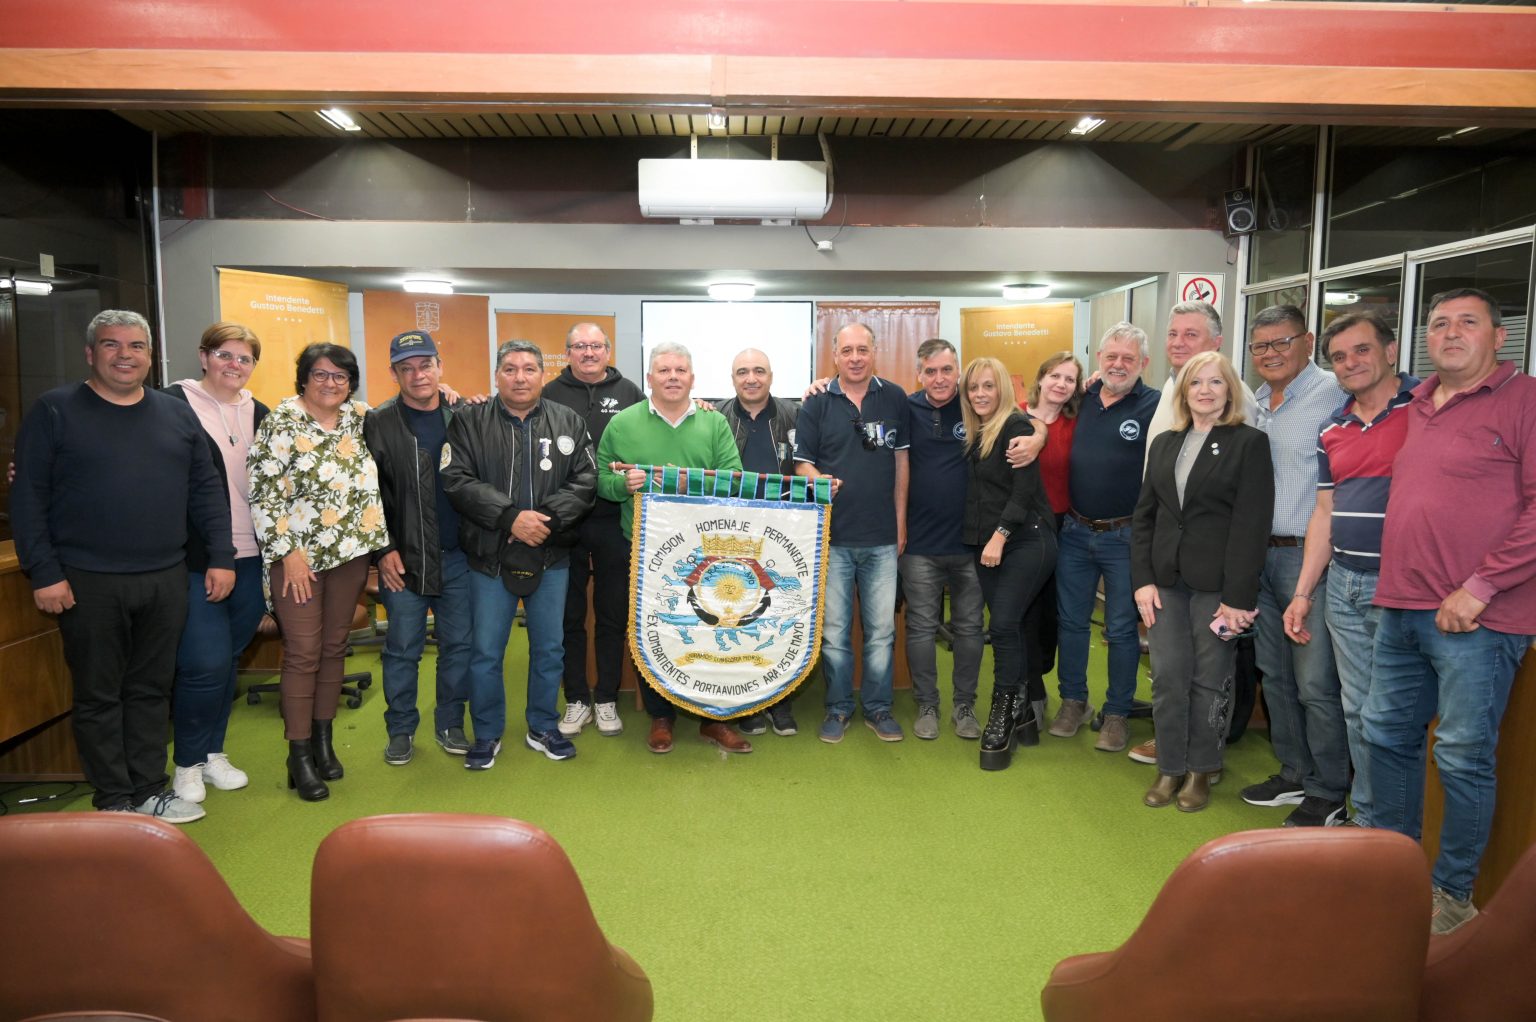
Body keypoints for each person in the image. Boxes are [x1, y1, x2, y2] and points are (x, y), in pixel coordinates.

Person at [11, 309, 233, 823]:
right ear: (91, 353)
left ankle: (151, 788)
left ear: (150, 356)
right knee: (99, 694)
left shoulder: (175, 414)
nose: (124, 355)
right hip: (85, 580)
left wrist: (221, 556)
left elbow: (206, 491)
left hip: (164, 576)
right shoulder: (54, 410)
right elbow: (29, 496)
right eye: (112, 345)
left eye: (136, 346)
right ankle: (114, 798)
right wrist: (44, 571)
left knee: (152, 690)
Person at [1361, 287, 1536, 935]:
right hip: (1400, 606)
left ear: (1499, 336)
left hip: (1478, 621)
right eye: (1439, 324)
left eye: (1468, 322)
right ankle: (1390, 875)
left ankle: (1452, 895)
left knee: (1462, 756)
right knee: (1385, 737)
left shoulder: (1525, 400)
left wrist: (1482, 586)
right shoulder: (1418, 404)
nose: (1452, 333)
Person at [1280, 311, 1416, 830]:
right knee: (1357, 709)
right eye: (1339, 356)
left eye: (1362, 350)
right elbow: (1325, 513)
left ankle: (1394, 830)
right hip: (1343, 583)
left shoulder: (1426, 409)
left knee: (1392, 715)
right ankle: (1366, 818)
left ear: (1390, 351)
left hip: (1403, 588)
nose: (1350, 363)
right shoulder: (1333, 427)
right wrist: (1303, 592)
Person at [442, 340, 596, 770]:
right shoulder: (469, 421)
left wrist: (544, 520)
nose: (520, 377)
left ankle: (542, 726)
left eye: (529, 369)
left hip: (551, 554)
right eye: (510, 369)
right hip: (489, 556)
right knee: (486, 651)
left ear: (543, 375)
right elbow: (456, 479)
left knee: (549, 648)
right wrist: (510, 518)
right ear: (497, 376)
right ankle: (486, 733)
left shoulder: (568, 421)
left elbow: (586, 479)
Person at [1132, 351, 1272, 812]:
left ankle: (1201, 769)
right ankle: (1170, 767)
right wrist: (1142, 580)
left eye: (1215, 382)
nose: (1205, 391)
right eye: (1196, 382)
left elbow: (1251, 525)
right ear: (1184, 391)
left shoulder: (1248, 443)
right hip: (1165, 583)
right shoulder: (1164, 443)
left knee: (1210, 680)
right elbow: (1145, 517)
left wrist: (1238, 598)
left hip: (1217, 587)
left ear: (1230, 390)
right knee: (1168, 678)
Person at [595, 341, 751, 754]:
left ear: (692, 378)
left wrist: (687, 482)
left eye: (680, 370)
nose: (672, 377)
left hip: (704, 549)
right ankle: (660, 716)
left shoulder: (713, 423)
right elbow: (599, 480)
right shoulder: (623, 423)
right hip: (644, 549)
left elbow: (734, 478)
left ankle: (714, 719)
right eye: (664, 370)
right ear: (649, 378)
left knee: (710, 630)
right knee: (656, 632)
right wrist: (622, 485)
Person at [248, 342, 388, 801]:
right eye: (321, 374)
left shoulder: (360, 417)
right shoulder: (281, 422)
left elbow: (407, 413)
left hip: (351, 554)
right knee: (304, 652)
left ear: (351, 383)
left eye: (340, 376)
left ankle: (324, 743)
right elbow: (263, 492)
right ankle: (299, 753)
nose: (331, 383)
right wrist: (287, 553)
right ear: (304, 378)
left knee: (333, 648)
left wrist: (450, 396)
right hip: (298, 561)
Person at [1239, 304, 1351, 827]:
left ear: (1307, 341)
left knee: (1315, 683)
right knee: (1275, 674)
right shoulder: (1256, 400)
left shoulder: (1335, 393)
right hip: (1259, 556)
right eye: (1260, 345)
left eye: (1281, 342)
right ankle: (1295, 772)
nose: (1270, 353)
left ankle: (1329, 790)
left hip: (1310, 559)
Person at [164, 322, 270, 806]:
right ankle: (186, 763)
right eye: (225, 354)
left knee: (227, 659)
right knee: (203, 662)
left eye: (245, 358)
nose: (234, 365)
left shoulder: (262, 413)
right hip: (198, 558)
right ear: (204, 356)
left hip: (252, 557)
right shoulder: (171, 404)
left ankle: (212, 753)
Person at [794, 323, 910, 744]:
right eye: (847, 350)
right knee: (835, 633)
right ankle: (838, 708)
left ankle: (879, 709)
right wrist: (818, 479)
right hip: (832, 539)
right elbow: (801, 464)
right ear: (835, 355)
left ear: (874, 352)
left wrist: (900, 524)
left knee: (882, 632)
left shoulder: (894, 397)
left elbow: (901, 464)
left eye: (863, 349)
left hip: (882, 538)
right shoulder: (816, 402)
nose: (855, 357)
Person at [363, 330, 474, 766]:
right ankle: (400, 730)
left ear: (439, 367)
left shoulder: (463, 415)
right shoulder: (377, 422)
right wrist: (383, 550)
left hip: (459, 557)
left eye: (425, 365)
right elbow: (368, 495)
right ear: (394, 374)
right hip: (403, 559)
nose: (418, 375)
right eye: (406, 368)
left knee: (458, 647)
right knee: (402, 649)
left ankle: (450, 723)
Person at [1048, 327, 1160, 755]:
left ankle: (1116, 714)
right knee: (1071, 623)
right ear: (1098, 358)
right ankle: (1073, 702)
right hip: (1075, 532)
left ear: (1143, 364)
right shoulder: (1080, 400)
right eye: (1111, 356)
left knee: (1120, 629)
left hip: (1125, 536)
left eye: (1128, 358)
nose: (1118, 364)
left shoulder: (1154, 405)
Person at [543, 322, 644, 739]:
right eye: (580, 346)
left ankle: (606, 698)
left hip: (613, 519)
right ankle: (576, 699)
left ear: (608, 350)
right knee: (567, 615)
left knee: (611, 612)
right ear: (568, 352)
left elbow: (658, 422)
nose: (589, 352)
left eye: (596, 346)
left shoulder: (630, 392)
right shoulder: (548, 393)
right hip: (563, 521)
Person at [961, 357, 1057, 771]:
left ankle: (1003, 711)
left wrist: (1000, 536)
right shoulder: (978, 430)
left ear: (1002, 387)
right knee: (1012, 626)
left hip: (1025, 540)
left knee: (1001, 626)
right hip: (986, 544)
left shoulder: (1016, 427)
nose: (980, 394)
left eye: (988, 386)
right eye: (973, 388)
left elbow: (1024, 491)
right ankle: (1025, 712)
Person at [899, 338, 986, 741]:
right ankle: (927, 704)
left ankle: (964, 705)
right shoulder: (905, 408)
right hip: (919, 544)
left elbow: (1027, 417)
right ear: (919, 374)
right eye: (930, 371)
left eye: (947, 370)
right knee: (920, 628)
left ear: (958, 371)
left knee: (970, 628)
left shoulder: (976, 405)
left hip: (971, 545)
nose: (939, 378)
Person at [718, 346, 802, 737]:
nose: (751, 379)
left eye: (759, 371)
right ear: (732, 378)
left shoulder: (795, 415)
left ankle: (779, 700)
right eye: (742, 372)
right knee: (738, 615)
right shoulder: (715, 416)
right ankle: (746, 701)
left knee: (779, 617)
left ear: (771, 376)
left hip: (783, 535)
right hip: (730, 535)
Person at [1019, 351, 1082, 739]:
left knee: (1054, 615)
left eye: (1070, 379)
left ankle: (1044, 677)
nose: (1061, 384)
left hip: (1064, 527)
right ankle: (1032, 692)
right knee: (1024, 612)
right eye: (1055, 376)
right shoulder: (1015, 416)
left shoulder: (1079, 423)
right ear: (1040, 378)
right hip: (1022, 527)